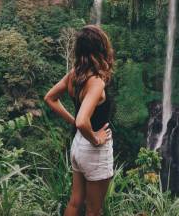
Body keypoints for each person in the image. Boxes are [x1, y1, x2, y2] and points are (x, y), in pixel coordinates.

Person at [44, 25, 114, 216]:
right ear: (101, 48)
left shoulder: (73, 75)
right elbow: (83, 121)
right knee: (93, 210)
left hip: (77, 146)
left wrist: (73, 121)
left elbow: (49, 98)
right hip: (93, 151)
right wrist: (95, 138)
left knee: (75, 203)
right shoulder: (97, 81)